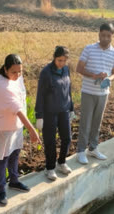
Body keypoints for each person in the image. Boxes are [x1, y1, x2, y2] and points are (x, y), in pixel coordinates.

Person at [0, 54, 41, 206]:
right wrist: (32, 129)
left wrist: (25, 126)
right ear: (5, 69)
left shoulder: (17, 78)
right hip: (3, 128)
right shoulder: (1, 86)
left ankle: (14, 181)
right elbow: (16, 108)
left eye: (20, 71)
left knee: (15, 154)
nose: (17, 75)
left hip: (17, 125)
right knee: (2, 159)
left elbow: (21, 99)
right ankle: (1, 189)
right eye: (14, 72)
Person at [76, 23, 114, 164]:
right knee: (85, 123)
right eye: (103, 35)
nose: (105, 38)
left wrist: (108, 78)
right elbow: (79, 68)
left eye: (108, 36)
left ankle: (93, 148)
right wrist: (94, 75)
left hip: (103, 93)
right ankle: (81, 151)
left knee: (97, 122)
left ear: (112, 36)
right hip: (88, 92)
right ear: (99, 34)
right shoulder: (89, 49)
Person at [35, 46, 74, 181]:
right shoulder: (46, 72)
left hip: (64, 110)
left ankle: (61, 162)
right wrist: (39, 115)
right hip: (49, 112)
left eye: (64, 60)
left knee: (67, 138)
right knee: (50, 142)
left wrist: (71, 107)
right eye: (59, 60)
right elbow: (40, 95)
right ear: (54, 57)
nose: (61, 63)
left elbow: (68, 89)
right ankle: (50, 168)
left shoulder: (66, 70)